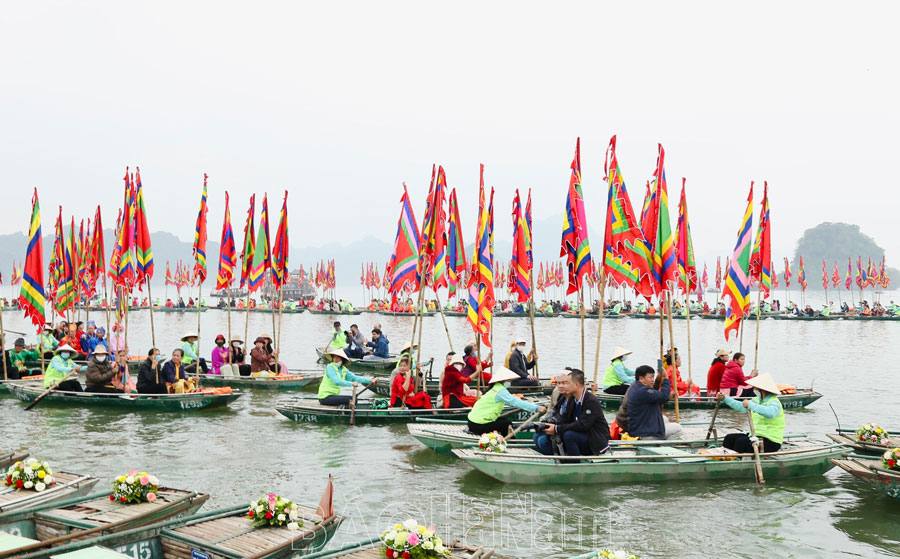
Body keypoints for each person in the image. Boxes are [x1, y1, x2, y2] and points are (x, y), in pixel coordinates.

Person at [540, 369, 609, 459]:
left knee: (569, 435)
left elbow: (583, 425)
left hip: (595, 439)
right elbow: (565, 418)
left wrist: (557, 429)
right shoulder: (572, 399)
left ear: (576, 385)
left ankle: (573, 463)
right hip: (582, 434)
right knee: (541, 435)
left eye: (567, 383)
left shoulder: (591, 401)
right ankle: (556, 459)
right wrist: (548, 425)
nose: (564, 386)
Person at [467, 366, 546, 436]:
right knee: (505, 424)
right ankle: (511, 443)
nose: (510, 382)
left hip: (472, 422)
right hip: (477, 424)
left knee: (504, 420)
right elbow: (516, 402)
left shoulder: (494, 388)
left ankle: (507, 438)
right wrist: (536, 407)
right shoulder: (500, 390)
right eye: (509, 380)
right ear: (504, 380)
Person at [717, 373, 785, 453]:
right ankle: (727, 458)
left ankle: (739, 462)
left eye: (756, 388)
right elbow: (741, 406)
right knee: (729, 438)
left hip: (771, 440)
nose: (754, 389)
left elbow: (770, 413)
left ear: (761, 389)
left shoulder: (774, 402)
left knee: (741, 442)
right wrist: (725, 398)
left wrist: (750, 405)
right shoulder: (757, 400)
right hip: (755, 436)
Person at [625, 365, 682, 440]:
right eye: (650, 377)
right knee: (678, 428)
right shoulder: (643, 391)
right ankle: (665, 447)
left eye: (653, 377)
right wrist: (666, 378)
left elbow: (655, 397)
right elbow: (663, 396)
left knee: (664, 418)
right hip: (645, 433)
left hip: (639, 427)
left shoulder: (635, 386)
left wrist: (667, 396)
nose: (652, 380)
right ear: (641, 378)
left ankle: (660, 441)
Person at [533, 373, 572, 455]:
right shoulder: (561, 396)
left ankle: (557, 456)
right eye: (559, 383)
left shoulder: (574, 399)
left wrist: (555, 428)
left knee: (542, 441)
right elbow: (553, 410)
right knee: (536, 436)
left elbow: (568, 419)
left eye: (564, 383)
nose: (561, 386)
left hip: (565, 429)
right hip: (558, 426)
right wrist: (545, 419)